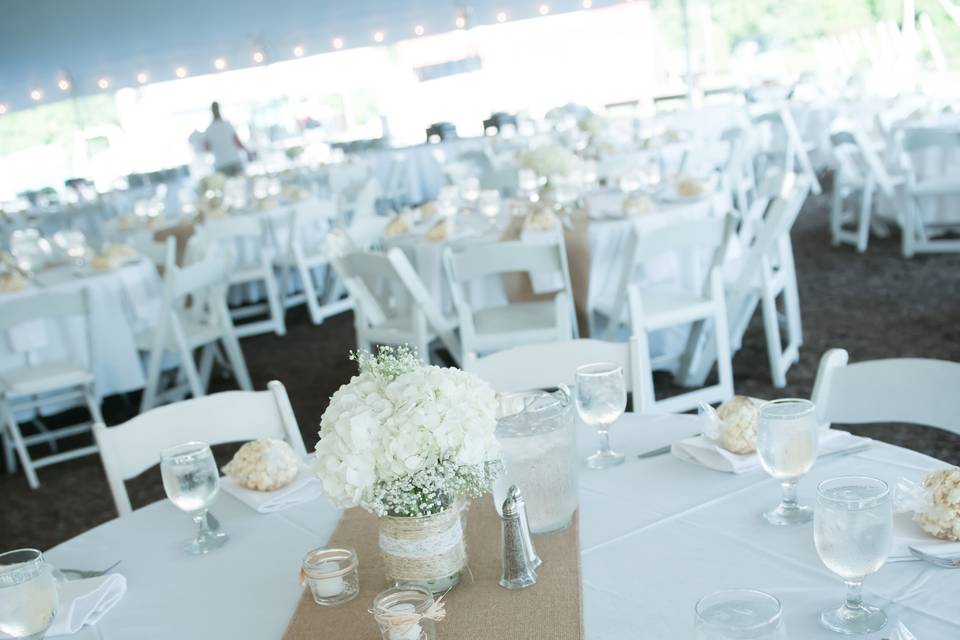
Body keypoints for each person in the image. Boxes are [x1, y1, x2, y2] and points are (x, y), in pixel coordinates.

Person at [203, 101, 248, 176]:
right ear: (219, 109)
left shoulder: (209, 129)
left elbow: (207, 148)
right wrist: (247, 150)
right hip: (233, 160)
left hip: (221, 164)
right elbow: (238, 142)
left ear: (211, 111)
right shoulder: (227, 124)